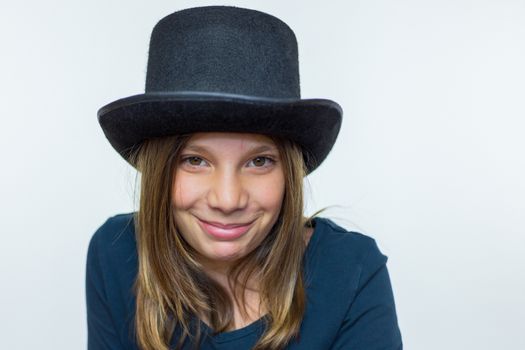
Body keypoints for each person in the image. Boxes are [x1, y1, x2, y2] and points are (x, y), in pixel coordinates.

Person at [86, 5, 403, 350]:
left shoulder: (351, 271)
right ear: (160, 169)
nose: (227, 200)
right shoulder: (116, 253)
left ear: (289, 173)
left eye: (259, 162)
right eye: (195, 160)